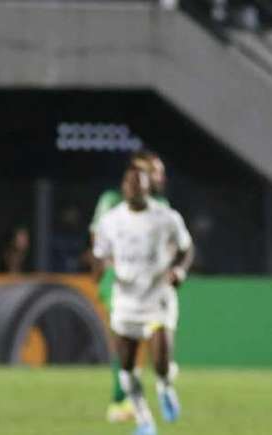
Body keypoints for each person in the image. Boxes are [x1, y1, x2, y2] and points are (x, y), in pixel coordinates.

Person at [92, 165, 194, 435]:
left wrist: (180, 270)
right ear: (124, 188)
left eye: (140, 184)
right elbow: (100, 254)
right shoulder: (111, 220)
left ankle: (164, 386)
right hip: (126, 300)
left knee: (160, 358)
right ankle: (144, 420)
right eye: (130, 183)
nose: (134, 188)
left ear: (149, 188)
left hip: (158, 297)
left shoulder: (166, 217)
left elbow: (186, 247)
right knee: (125, 368)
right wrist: (99, 270)